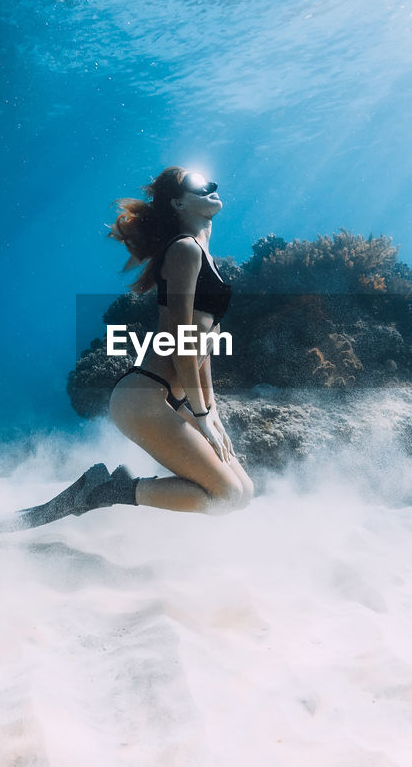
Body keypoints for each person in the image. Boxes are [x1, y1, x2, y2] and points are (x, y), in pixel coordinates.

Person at [34, 166, 255, 521]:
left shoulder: (201, 253)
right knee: (225, 494)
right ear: (178, 202)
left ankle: (112, 487)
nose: (211, 186)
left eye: (211, 180)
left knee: (243, 493)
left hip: (176, 397)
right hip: (146, 397)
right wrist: (200, 413)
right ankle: (104, 492)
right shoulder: (184, 250)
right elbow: (181, 340)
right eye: (198, 184)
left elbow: (204, 347)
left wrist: (211, 413)